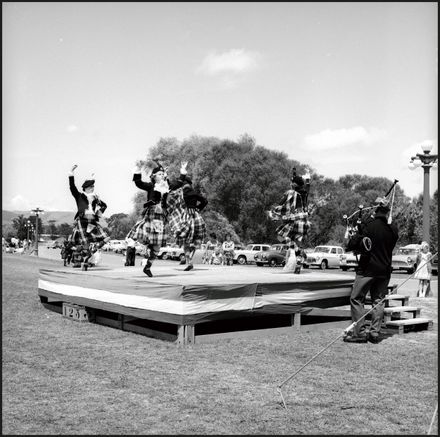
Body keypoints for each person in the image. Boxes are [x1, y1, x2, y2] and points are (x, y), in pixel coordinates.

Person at [343, 197, 399, 344]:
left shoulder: (368, 225)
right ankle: (374, 333)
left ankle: (360, 333)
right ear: (387, 211)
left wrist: (356, 233)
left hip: (367, 269)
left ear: (376, 209)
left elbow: (354, 244)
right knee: (378, 301)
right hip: (384, 270)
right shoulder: (393, 229)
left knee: (356, 298)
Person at [127, 160, 188, 277]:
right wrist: (137, 170)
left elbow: (179, 183)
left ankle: (148, 266)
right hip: (151, 214)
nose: (162, 175)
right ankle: (139, 245)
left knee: (157, 246)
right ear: (154, 176)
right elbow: (138, 183)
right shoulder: (151, 186)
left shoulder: (167, 186)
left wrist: (183, 171)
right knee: (144, 235)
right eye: (159, 174)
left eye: (162, 174)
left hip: (161, 217)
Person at [68, 165, 110, 271]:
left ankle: (88, 255)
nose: (93, 188)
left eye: (93, 187)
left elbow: (104, 206)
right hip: (82, 220)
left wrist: (98, 213)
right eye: (91, 187)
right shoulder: (79, 196)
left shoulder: (95, 198)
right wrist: (71, 173)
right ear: (86, 188)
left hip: (92, 221)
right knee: (85, 242)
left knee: (106, 238)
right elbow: (72, 187)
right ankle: (85, 258)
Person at [167, 175, 208, 271]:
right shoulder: (194, 193)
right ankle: (189, 259)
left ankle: (189, 261)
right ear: (190, 184)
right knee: (195, 240)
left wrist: (167, 180)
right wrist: (198, 208)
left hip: (185, 217)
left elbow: (171, 190)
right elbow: (205, 201)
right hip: (196, 217)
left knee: (185, 242)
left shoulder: (181, 193)